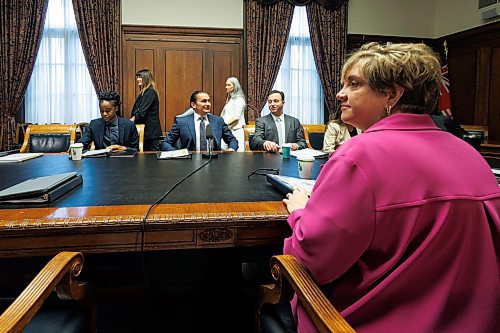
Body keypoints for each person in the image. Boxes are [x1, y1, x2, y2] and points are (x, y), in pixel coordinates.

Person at [263, 42, 500, 333]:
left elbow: (313, 261)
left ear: (391, 93)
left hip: (368, 321)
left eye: (353, 83)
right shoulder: (470, 155)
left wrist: (300, 212)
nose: (339, 93)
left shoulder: (358, 155)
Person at [160, 91, 238, 151]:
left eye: (209, 101)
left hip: (215, 162)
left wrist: (231, 149)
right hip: (189, 162)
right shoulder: (181, 122)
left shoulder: (218, 121)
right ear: (193, 105)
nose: (208, 104)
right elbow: (165, 143)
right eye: (204, 101)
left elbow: (232, 140)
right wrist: (178, 154)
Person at [130, 69, 163, 151]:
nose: (137, 79)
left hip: (149, 133)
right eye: (137, 77)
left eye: (139, 77)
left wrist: (130, 121)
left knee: (152, 157)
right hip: (145, 132)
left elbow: (141, 112)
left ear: (146, 78)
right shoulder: (145, 92)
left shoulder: (150, 91)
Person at [220, 77, 246, 151]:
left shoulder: (239, 100)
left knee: (238, 157)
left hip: (236, 131)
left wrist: (223, 126)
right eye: (226, 85)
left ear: (235, 86)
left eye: (228, 85)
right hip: (228, 130)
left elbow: (236, 117)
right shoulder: (231, 99)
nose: (226, 87)